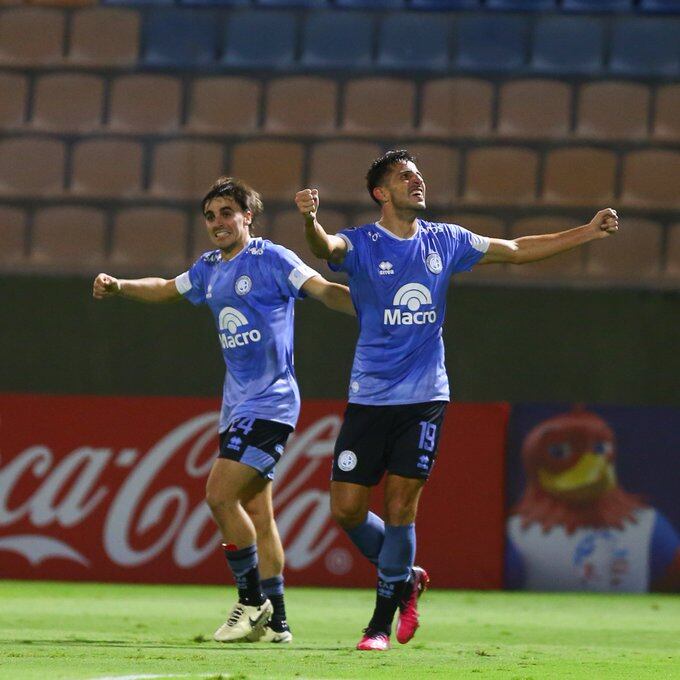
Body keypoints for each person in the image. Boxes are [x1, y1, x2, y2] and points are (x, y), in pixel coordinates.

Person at [295, 149, 619, 651]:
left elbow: (512, 248)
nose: (417, 181)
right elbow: (327, 247)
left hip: (425, 397)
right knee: (346, 510)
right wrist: (311, 221)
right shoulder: (362, 242)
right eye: (405, 176)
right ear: (382, 193)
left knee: (401, 507)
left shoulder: (445, 240)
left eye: (419, 174)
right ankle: (405, 576)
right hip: (369, 397)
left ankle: (378, 625)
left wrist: (587, 231)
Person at [93, 176, 354, 644]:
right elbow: (167, 288)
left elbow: (321, 288)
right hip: (236, 407)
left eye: (227, 214)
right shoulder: (210, 267)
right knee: (258, 511)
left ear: (247, 216)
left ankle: (252, 602)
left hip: (271, 403)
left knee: (218, 495)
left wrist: (371, 307)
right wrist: (120, 286)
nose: (217, 224)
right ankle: (278, 623)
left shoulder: (271, 258)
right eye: (210, 217)